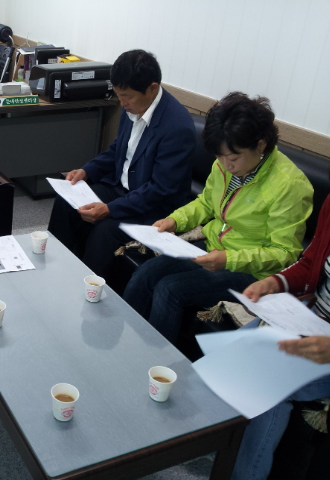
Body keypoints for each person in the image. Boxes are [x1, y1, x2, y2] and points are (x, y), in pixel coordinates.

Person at [123, 92, 314, 347]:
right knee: (145, 274)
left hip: (252, 271)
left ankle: (158, 361)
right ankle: (125, 343)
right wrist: (175, 220)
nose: (225, 165)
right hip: (214, 248)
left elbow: (284, 253)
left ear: (261, 144)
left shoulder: (289, 185)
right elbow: (206, 203)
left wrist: (228, 259)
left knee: (170, 289)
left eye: (233, 158)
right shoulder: (223, 165)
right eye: (219, 157)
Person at [47, 49, 196, 277]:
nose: (122, 103)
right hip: (122, 189)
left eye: (127, 96)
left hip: (153, 206)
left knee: (105, 231)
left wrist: (110, 209)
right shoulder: (134, 106)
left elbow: (160, 190)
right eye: (118, 95)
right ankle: (54, 268)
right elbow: (118, 150)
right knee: (66, 201)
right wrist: (87, 171)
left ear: (152, 88)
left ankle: (85, 287)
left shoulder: (177, 126)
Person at [230, 195, 330, 479]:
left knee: (268, 381)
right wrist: (274, 282)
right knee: (233, 350)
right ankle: (222, 449)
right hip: (311, 319)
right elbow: (311, 262)